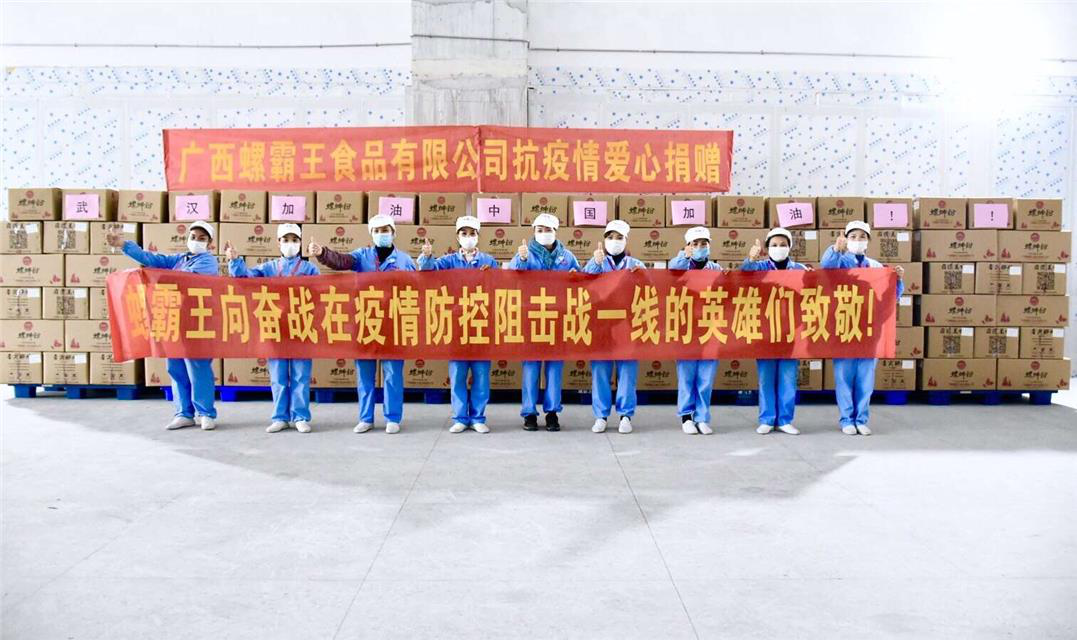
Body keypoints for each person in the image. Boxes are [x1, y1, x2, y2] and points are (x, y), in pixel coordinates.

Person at [106, 221, 220, 431]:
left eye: (202, 238)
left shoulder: (208, 261)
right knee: (175, 367)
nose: (196, 241)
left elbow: (184, 280)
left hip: (197, 322)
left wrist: (155, 276)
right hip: (174, 320)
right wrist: (124, 245)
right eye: (193, 237)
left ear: (210, 243)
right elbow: (153, 259)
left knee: (198, 368)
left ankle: (205, 413)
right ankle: (183, 413)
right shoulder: (179, 259)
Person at [309, 213, 416, 434]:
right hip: (366, 321)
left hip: (393, 323)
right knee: (365, 374)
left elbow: (418, 287)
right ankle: (366, 418)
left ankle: (393, 418)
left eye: (385, 230)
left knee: (393, 374)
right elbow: (341, 261)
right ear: (371, 234)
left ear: (393, 232)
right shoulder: (362, 256)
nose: (381, 234)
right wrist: (322, 253)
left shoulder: (405, 260)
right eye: (377, 231)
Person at [226, 223, 320, 433]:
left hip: (301, 327)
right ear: (278, 243)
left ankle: (300, 416)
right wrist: (235, 261)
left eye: (294, 240)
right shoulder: (268, 268)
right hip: (275, 327)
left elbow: (319, 296)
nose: (290, 244)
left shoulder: (310, 269)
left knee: (300, 375)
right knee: (278, 375)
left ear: (300, 243)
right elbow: (245, 278)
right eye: (286, 240)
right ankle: (280, 417)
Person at [820, 220, 905, 436]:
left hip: (869, 329)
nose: (857, 241)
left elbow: (889, 297)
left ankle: (861, 419)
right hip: (844, 326)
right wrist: (835, 249)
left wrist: (897, 280)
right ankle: (846, 419)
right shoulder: (839, 261)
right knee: (844, 376)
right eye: (853, 237)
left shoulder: (876, 267)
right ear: (846, 239)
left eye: (862, 237)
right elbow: (826, 267)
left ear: (868, 241)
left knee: (866, 378)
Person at [417, 215, 499, 434]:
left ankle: (478, 417)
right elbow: (427, 271)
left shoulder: (489, 261)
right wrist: (427, 256)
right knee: (458, 374)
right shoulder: (448, 261)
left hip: (481, 324)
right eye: (464, 233)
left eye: (472, 233)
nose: (468, 237)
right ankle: (460, 417)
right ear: (457, 236)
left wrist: (491, 276)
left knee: (481, 374)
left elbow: (500, 287)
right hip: (456, 325)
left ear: (478, 236)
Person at [508, 212, 579, 432]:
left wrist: (576, 276)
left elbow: (581, 281)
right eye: (539, 230)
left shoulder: (567, 256)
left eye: (548, 230)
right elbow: (511, 278)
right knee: (531, 367)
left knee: (554, 368)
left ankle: (552, 412)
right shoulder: (525, 253)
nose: (544, 233)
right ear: (533, 232)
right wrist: (520, 260)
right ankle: (529, 413)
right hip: (532, 318)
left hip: (557, 319)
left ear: (556, 232)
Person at [742, 228, 807, 435]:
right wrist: (750, 259)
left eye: (783, 245)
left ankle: (785, 420)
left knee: (788, 377)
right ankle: (767, 419)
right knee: (766, 377)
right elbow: (743, 276)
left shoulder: (799, 270)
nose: (779, 248)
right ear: (767, 248)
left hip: (790, 332)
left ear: (790, 247)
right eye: (774, 245)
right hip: (766, 331)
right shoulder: (760, 267)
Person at [582, 220, 644, 434]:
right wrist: (594, 263)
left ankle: (626, 415)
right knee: (600, 371)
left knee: (627, 372)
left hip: (627, 326)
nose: (614, 241)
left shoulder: (635, 264)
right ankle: (601, 415)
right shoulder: (597, 261)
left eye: (619, 238)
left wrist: (642, 277)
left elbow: (650, 290)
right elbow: (582, 283)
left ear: (626, 241)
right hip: (601, 326)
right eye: (610, 237)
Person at [668, 226, 723, 435]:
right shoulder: (680, 264)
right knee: (687, 375)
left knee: (706, 377)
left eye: (704, 243)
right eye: (695, 243)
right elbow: (673, 269)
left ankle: (702, 417)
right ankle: (686, 416)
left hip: (710, 327)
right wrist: (685, 256)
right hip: (686, 328)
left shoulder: (715, 269)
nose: (700, 247)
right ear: (687, 246)